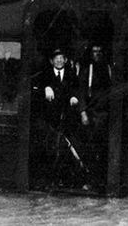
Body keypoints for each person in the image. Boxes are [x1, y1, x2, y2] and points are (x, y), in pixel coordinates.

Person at [40, 48, 81, 188]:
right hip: (50, 120)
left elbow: (77, 89)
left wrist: (74, 97)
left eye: (61, 58)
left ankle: (65, 180)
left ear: (65, 60)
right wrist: (45, 88)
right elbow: (36, 90)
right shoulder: (45, 74)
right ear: (52, 61)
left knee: (66, 148)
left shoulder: (71, 73)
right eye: (56, 58)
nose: (59, 60)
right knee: (50, 149)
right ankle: (51, 181)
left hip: (67, 118)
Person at [78, 43, 112, 191]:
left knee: (104, 150)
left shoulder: (109, 70)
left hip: (105, 116)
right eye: (94, 51)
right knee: (91, 149)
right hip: (91, 116)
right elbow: (81, 92)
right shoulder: (87, 71)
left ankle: (103, 182)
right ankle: (91, 180)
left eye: (99, 51)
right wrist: (83, 112)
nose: (97, 54)